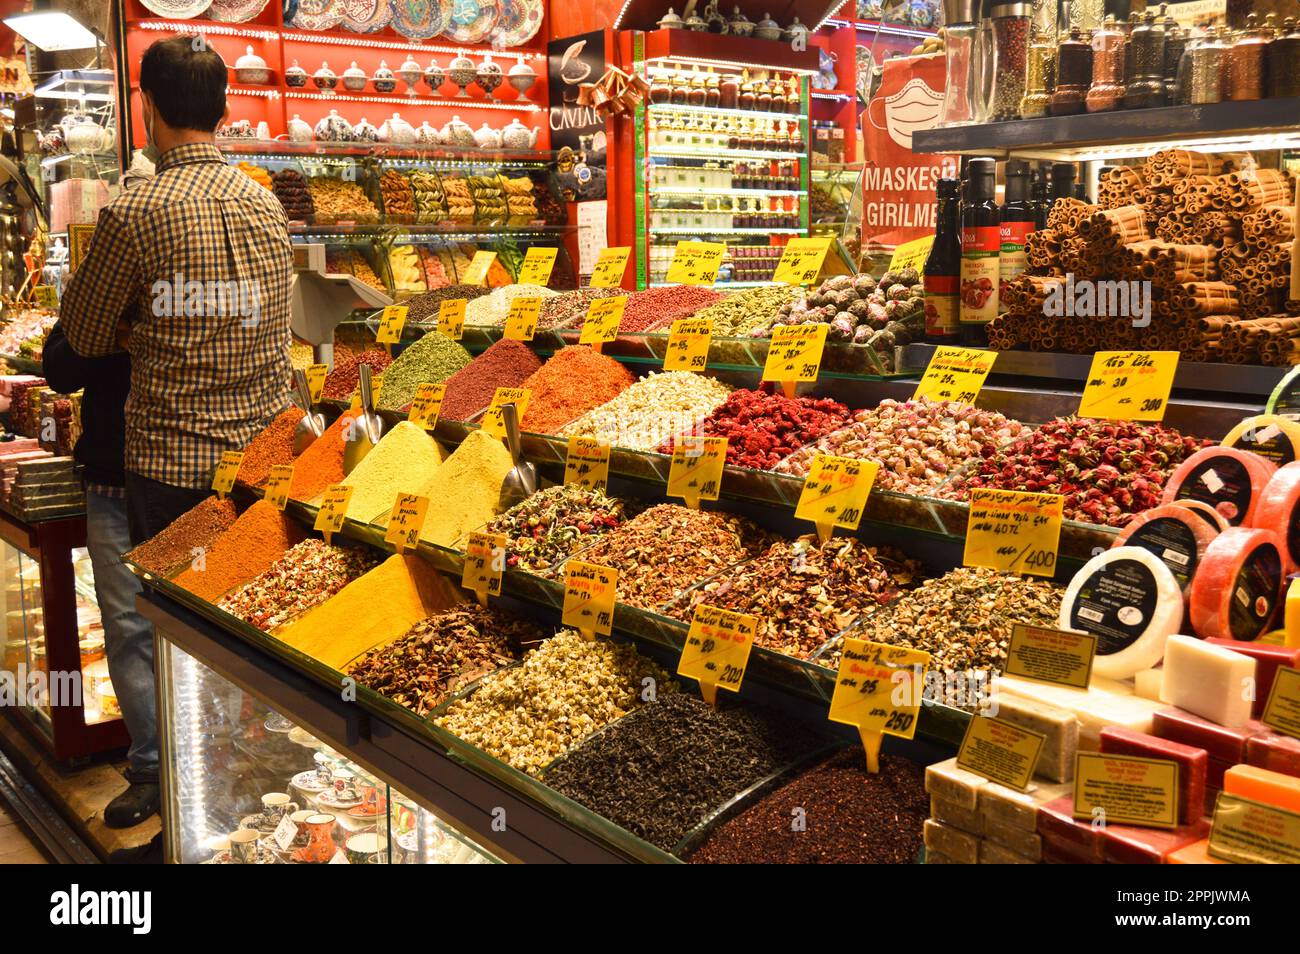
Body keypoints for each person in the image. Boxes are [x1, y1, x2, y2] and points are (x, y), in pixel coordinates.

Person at [60, 34, 294, 826]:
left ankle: (195, 819)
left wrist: (135, 326)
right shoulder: (263, 200)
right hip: (261, 457)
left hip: (168, 464)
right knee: (248, 634)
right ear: (224, 108)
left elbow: (83, 341)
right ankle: (254, 806)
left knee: (179, 646)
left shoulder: (136, 209)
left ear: (149, 109)